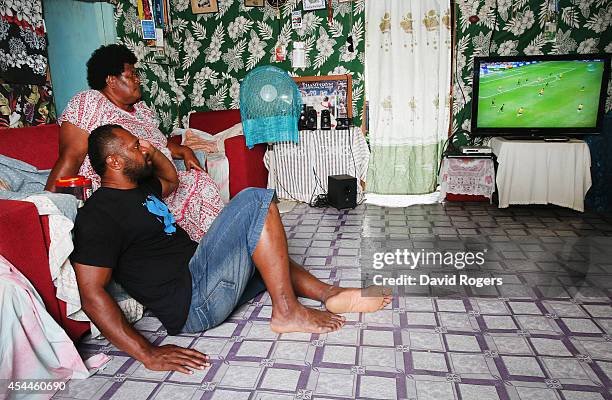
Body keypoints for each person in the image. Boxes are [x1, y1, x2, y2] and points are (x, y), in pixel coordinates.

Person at [71, 124, 392, 374]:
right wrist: (148, 353)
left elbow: (171, 180)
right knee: (255, 200)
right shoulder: (99, 215)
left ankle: (330, 294)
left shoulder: (138, 189)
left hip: (201, 277)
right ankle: (287, 311)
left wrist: (152, 152)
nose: (142, 146)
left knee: (265, 248)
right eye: (134, 146)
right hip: (191, 301)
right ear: (114, 161)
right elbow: (91, 293)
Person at [45, 44, 222, 241]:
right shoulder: (91, 102)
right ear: (111, 80)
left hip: (157, 182)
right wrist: (48, 206)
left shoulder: (142, 111)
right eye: (131, 75)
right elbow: (71, 155)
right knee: (195, 188)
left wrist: (183, 150)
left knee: (199, 182)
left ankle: (213, 249)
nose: (138, 80)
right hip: (121, 186)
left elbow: (160, 144)